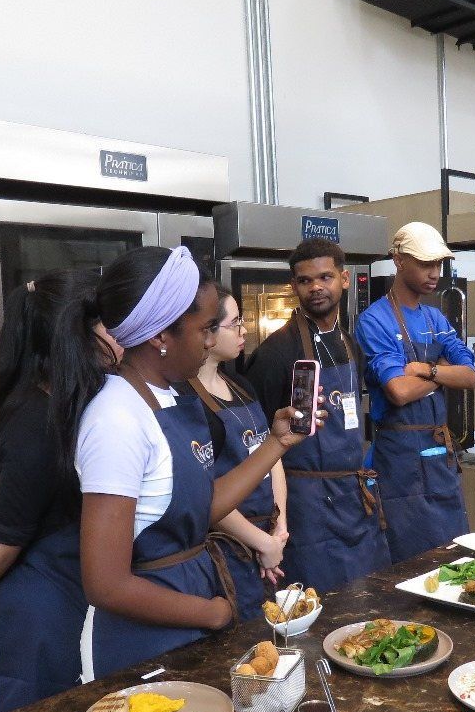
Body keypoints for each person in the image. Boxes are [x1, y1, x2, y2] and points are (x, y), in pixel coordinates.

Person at [62, 246, 315, 681]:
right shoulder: (116, 419)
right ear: (161, 336)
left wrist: (277, 443)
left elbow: (203, 502)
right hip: (143, 644)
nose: (210, 339)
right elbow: (105, 584)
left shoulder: (176, 396)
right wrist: (213, 612)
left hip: (193, 611)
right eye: (204, 328)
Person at [0, 272, 124, 712]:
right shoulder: (34, 422)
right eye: (105, 324)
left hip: (82, 593)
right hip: (42, 611)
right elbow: (3, 539)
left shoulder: (92, 402)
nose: (118, 335)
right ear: (77, 336)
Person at [244, 240, 391, 590]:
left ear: (343, 278)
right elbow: (255, 439)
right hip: (308, 505)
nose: (316, 287)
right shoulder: (276, 353)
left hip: (354, 496)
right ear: (294, 286)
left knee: (365, 598)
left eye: (325, 277)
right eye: (305, 280)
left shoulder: (349, 343)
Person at [356, 222, 475, 562]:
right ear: (398, 260)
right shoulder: (374, 320)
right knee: (409, 564)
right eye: (425, 263)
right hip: (399, 464)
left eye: (438, 264)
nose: (434, 272)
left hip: (440, 456)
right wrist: (443, 372)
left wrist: (427, 369)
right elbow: (399, 391)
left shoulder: (436, 318)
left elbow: (469, 376)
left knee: (455, 557)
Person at [188, 285, 288, 621]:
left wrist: (280, 529)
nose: (244, 330)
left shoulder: (241, 385)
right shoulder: (189, 401)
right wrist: (261, 542)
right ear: (208, 333)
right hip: (228, 547)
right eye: (235, 324)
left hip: (267, 539)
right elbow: (206, 495)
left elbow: (272, 457)